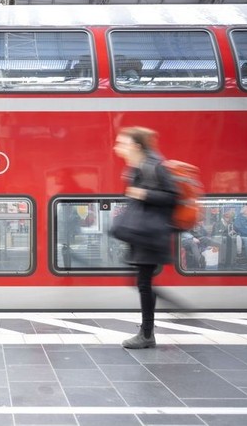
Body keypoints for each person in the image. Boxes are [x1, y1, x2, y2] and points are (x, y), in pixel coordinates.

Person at [112, 126, 178, 349]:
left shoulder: (154, 166)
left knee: (142, 283)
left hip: (149, 233)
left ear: (136, 146)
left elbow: (172, 195)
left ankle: (147, 334)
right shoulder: (138, 167)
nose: (117, 147)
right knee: (141, 282)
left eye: (122, 143)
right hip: (142, 233)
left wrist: (143, 193)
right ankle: (149, 330)